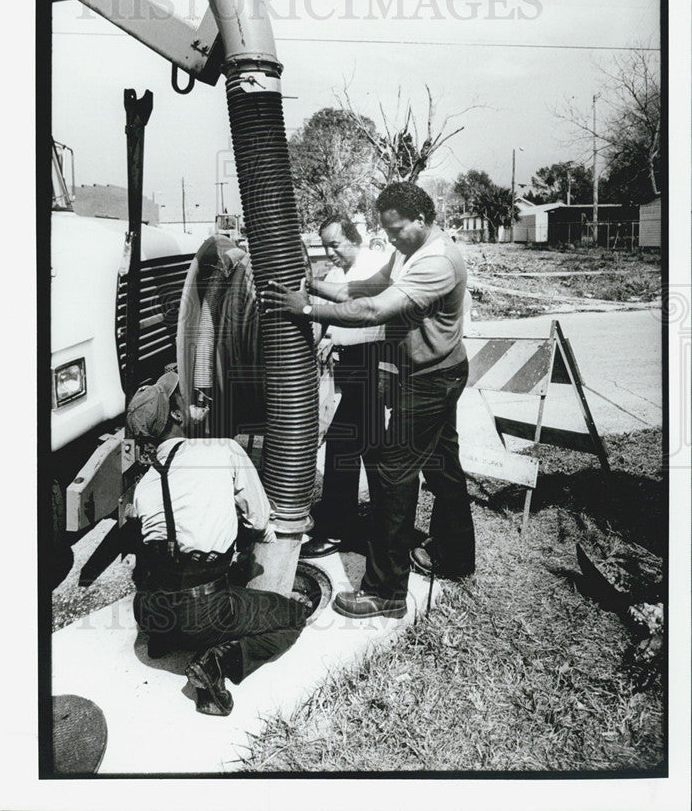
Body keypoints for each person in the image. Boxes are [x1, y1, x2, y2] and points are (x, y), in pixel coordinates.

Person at [261, 182, 473, 620]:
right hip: (437, 371)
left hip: (429, 380)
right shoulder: (409, 252)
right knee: (441, 465)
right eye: (386, 231)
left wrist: (303, 310)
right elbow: (363, 290)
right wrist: (316, 289)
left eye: (396, 230)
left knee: (392, 474)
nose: (390, 238)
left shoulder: (437, 260)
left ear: (422, 218)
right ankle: (456, 556)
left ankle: (386, 592)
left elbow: (375, 311)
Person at [125, 371, 308, 716]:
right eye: (179, 399)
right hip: (203, 613)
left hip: (151, 611)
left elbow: (149, 550)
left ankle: (164, 641)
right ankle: (217, 665)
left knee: (176, 573)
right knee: (293, 617)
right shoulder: (222, 450)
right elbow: (258, 518)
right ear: (177, 416)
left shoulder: (144, 486)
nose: (185, 399)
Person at [301, 214, 387, 559]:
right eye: (324, 246)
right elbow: (322, 317)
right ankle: (359, 522)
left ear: (355, 238)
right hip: (346, 364)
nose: (330, 252)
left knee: (352, 447)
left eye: (335, 244)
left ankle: (340, 528)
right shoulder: (335, 276)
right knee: (353, 447)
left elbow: (367, 314)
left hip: (375, 362)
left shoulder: (376, 266)